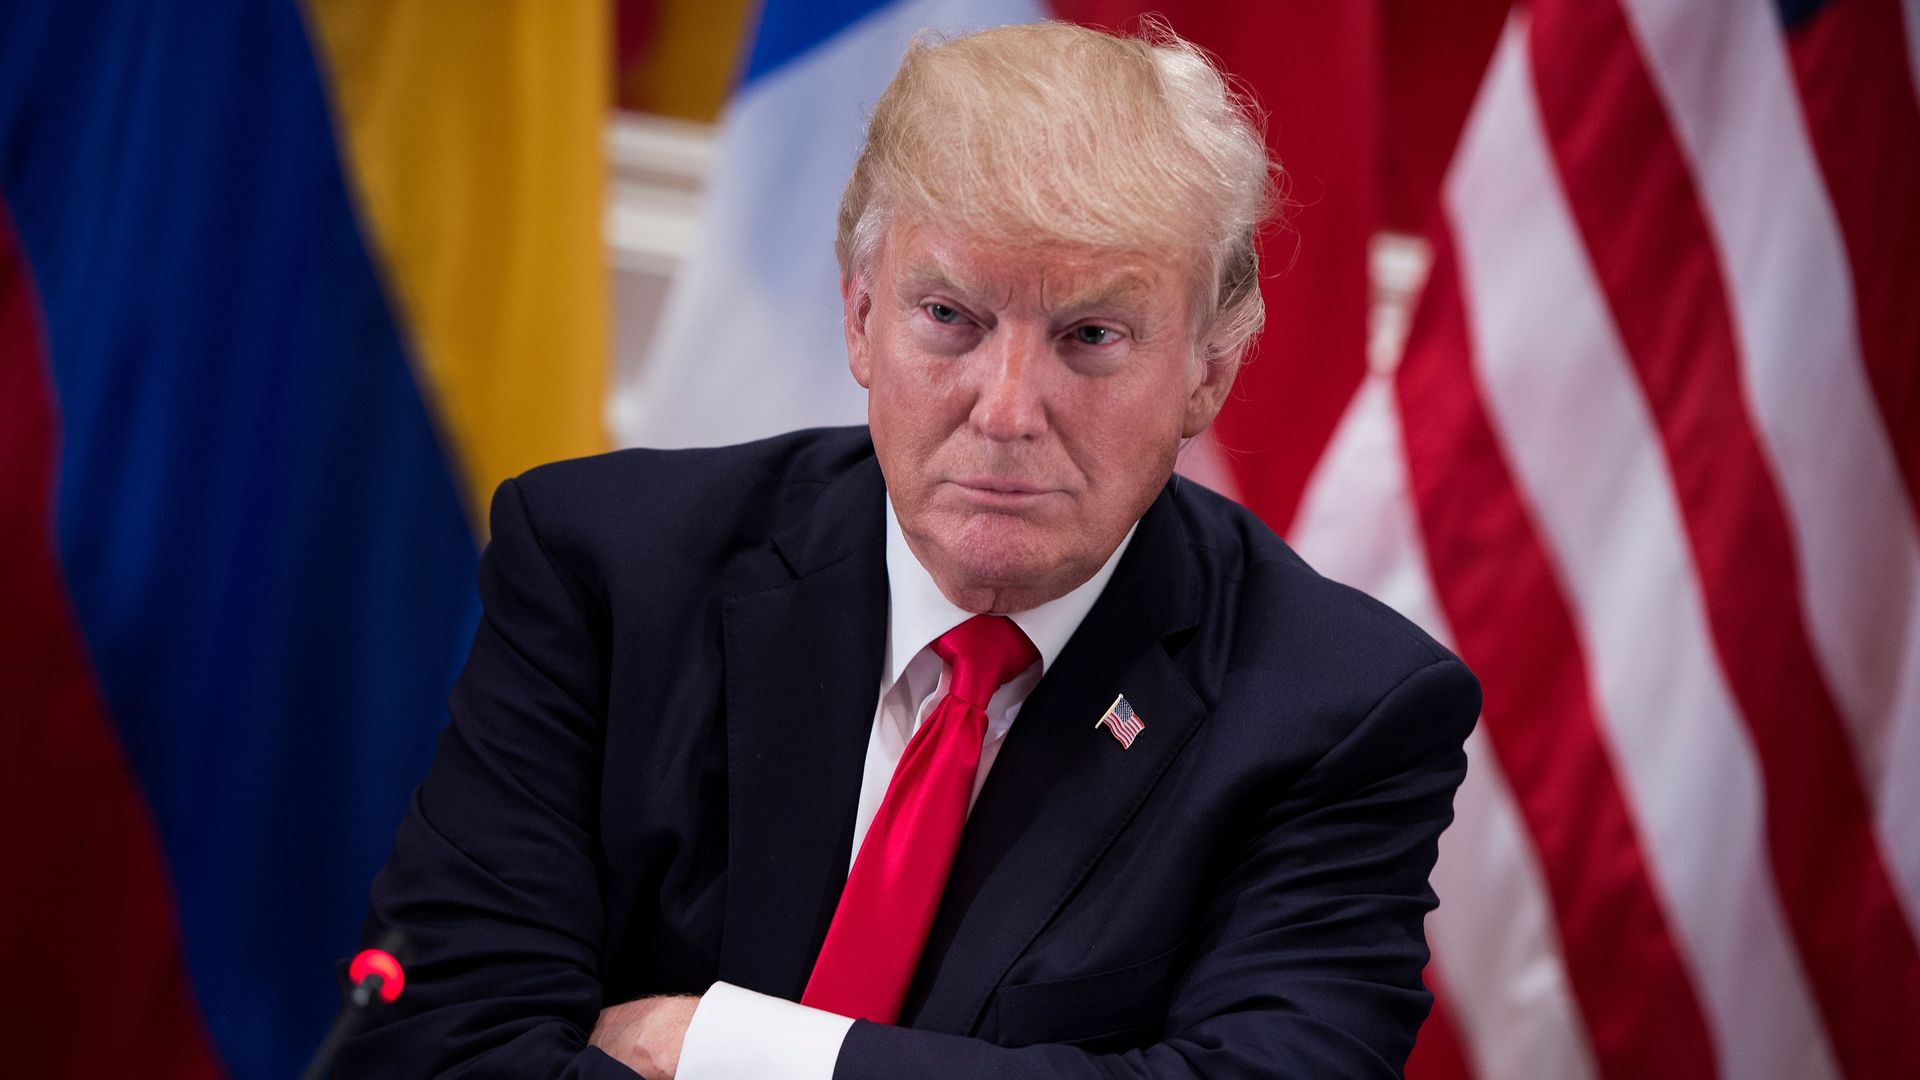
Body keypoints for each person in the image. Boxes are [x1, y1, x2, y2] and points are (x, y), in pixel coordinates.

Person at [340, 21, 1479, 1080]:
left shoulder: (1340, 713)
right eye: (951, 318)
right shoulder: (611, 571)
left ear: (1208, 373)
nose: (1008, 408)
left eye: (1090, 336)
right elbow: (442, 1038)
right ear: (858, 319)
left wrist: (727, 1047)